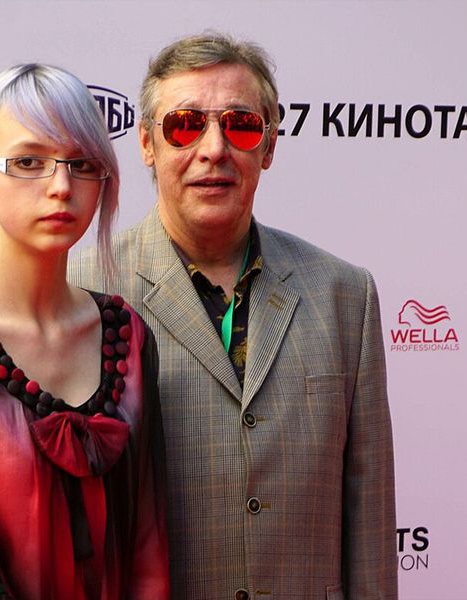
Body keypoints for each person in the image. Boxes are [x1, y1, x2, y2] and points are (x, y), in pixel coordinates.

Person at [69, 33, 397, 599]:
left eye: (240, 125)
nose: (214, 149)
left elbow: (369, 525)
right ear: (147, 143)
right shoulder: (82, 291)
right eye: (185, 125)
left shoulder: (345, 296)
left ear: (268, 145)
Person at [0, 63, 170, 600]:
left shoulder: (129, 338)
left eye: (82, 164)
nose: (61, 187)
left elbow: (149, 544)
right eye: (28, 162)